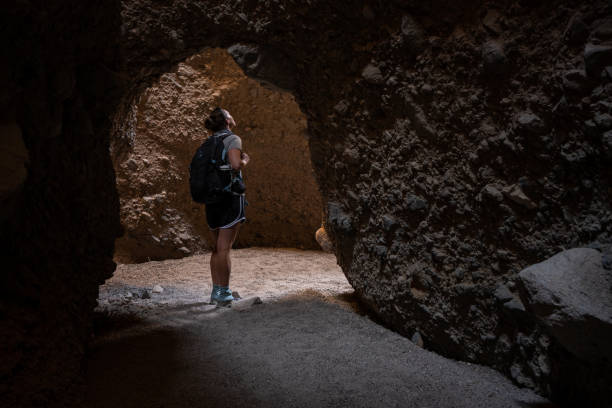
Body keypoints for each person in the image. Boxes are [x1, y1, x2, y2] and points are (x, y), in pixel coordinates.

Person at [204, 107, 249, 305]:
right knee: (224, 249)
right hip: (229, 197)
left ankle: (216, 291)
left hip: (211, 198)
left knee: (216, 248)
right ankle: (224, 294)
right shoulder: (232, 139)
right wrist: (245, 160)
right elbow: (235, 164)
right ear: (227, 120)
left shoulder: (208, 142)